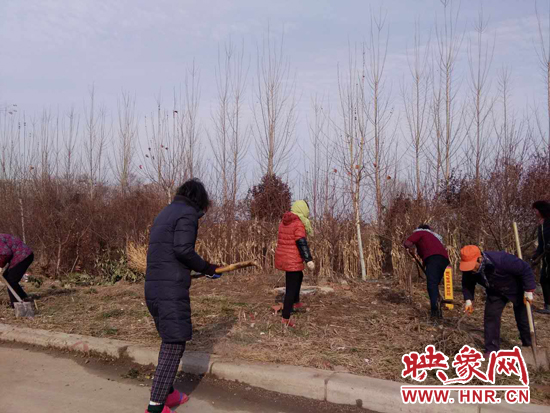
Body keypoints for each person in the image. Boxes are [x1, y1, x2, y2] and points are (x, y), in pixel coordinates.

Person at [144, 179, 222, 413]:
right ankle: (155, 408)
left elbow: (167, 252)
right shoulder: (187, 214)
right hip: (170, 291)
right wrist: (207, 268)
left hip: (154, 288)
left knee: (169, 339)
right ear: (199, 200)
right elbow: (183, 250)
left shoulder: (165, 213)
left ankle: (168, 394)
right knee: (174, 343)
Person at [459, 245, 536, 356]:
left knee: (523, 318)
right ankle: (491, 349)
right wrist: (468, 299)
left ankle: (529, 345)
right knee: (491, 316)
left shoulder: (502, 259)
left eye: (471, 265)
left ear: (479, 259)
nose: (470, 269)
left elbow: (525, 269)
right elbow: (467, 283)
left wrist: (529, 290)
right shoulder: (469, 271)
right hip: (495, 291)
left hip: (516, 289)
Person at [275, 200, 315, 328]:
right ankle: (286, 318)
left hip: (284, 257)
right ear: (303, 210)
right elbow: (301, 242)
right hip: (292, 258)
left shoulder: (284, 222)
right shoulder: (298, 223)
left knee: (299, 276)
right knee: (291, 288)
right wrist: (308, 259)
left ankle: (296, 302)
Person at [403, 224, 450, 319]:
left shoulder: (420, 232)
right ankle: (438, 306)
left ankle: (435, 312)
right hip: (444, 260)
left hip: (433, 258)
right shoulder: (434, 237)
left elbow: (407, 243)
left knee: (431, 285)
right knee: (434, 284)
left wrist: (407, 246)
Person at [0, 234, 34, 307]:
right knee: (6, 276)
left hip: (24, 256)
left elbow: (6, 253)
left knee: (11, 280)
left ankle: (16, 304)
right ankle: (24, 297)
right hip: (19, 256)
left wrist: (1, 264)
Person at [531, 200, 550, 315]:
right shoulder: (541, 225)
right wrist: (536, 256)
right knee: (544, 279)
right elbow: (541, 243)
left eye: (536, 210)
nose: (535, 213)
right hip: (546, 257)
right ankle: (548, 306)